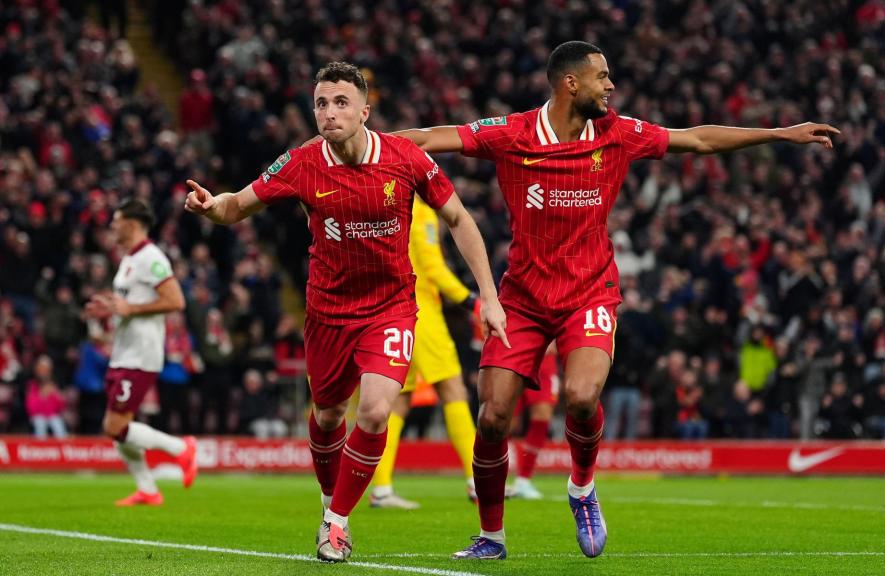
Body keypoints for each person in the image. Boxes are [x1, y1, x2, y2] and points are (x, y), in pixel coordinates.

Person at [395, 41, 839, 559]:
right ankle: (491, 537)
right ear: (570, 83)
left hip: (589, 292)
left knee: (582, 397)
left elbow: (694, 139)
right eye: (602, 76)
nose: (610, 86)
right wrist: (358, 146)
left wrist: (778, 134)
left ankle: (581, 488)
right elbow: (429, 138)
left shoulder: (618, 132)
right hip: (522, 299)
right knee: (493, 415)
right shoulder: (513, 133)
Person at [184, 62, 508, 563]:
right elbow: (238, 205)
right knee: (328, 413)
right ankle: (329, 500)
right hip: (328, 313)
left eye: (340, 103)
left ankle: (335, 524)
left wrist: (487, 293)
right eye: (320, 103)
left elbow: (459, 219)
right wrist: (212, 207)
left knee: (377, 411)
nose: (329, 113)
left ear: (364, 111)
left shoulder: (405, 157)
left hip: (392, 308)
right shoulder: (301, 163)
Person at [368, 194, 481, 509]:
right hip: (423, 315)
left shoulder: (387, 206)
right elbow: (432, 267)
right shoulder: (421, 211)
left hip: (393, 310)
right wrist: (470, 300)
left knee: (399, 402)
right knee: (453, 388)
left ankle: (381, 488)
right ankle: (478, 480)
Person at [83, 198, 198, 507]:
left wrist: (130, 308)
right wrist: (109, 308)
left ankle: (181, 448)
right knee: (119, 426)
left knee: (114, 426)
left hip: (141, 353)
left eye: (116, 220)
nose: (111, 225)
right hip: (123, 350)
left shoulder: (151, 258)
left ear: (132, 224)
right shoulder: (129, 259)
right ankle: (147, 489)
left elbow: (176, 301)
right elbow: (127, 303)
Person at [506, 343, 560, 500]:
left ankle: (523, 480)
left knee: (542, 417)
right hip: (515, 356)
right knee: (506, 423)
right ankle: (489, 477)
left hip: (544, 363)